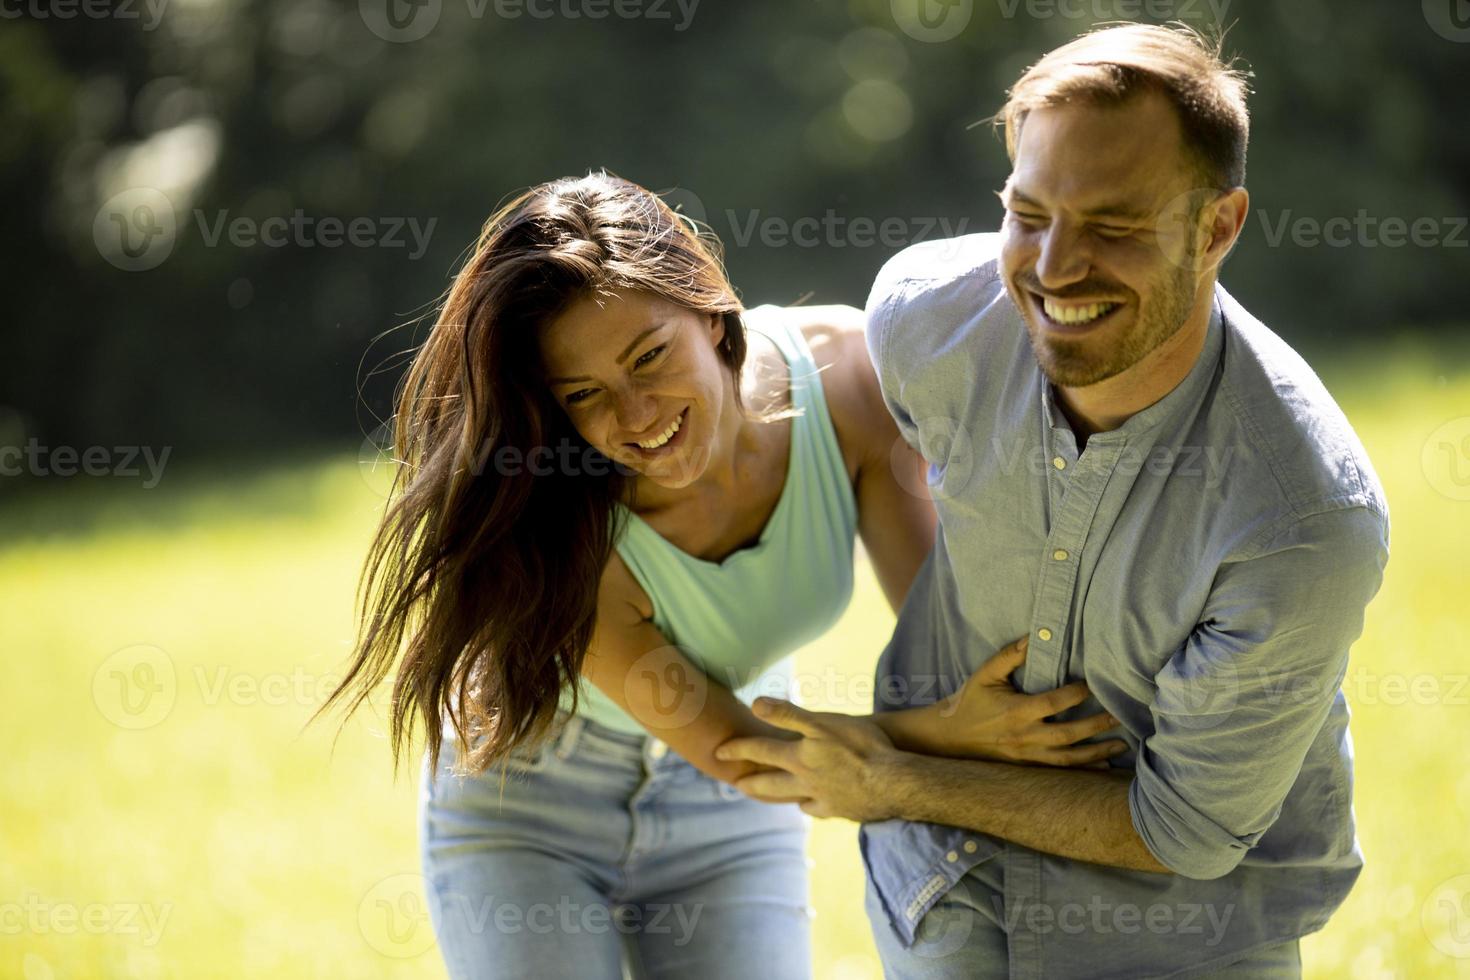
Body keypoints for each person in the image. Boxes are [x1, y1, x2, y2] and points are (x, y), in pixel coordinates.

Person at [317, 171, 1125, 979]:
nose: (636, 416)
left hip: (729, 820)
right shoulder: (559, 528)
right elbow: (739, 747)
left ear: (709, 309)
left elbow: (947, 637)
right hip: (530, 808)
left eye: (650, 356)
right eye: (586, 394)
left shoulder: (848, 386)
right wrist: (945, 733)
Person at [717, 24, 1390, 979]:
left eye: (1113, 226)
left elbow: (1187, 833)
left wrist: (893, 774)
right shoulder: (926, 319)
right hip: (943, 884)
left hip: (1187, 935)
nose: (1054, 266)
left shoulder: (1301, 520)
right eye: (1028, 213)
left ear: (1218, 227)